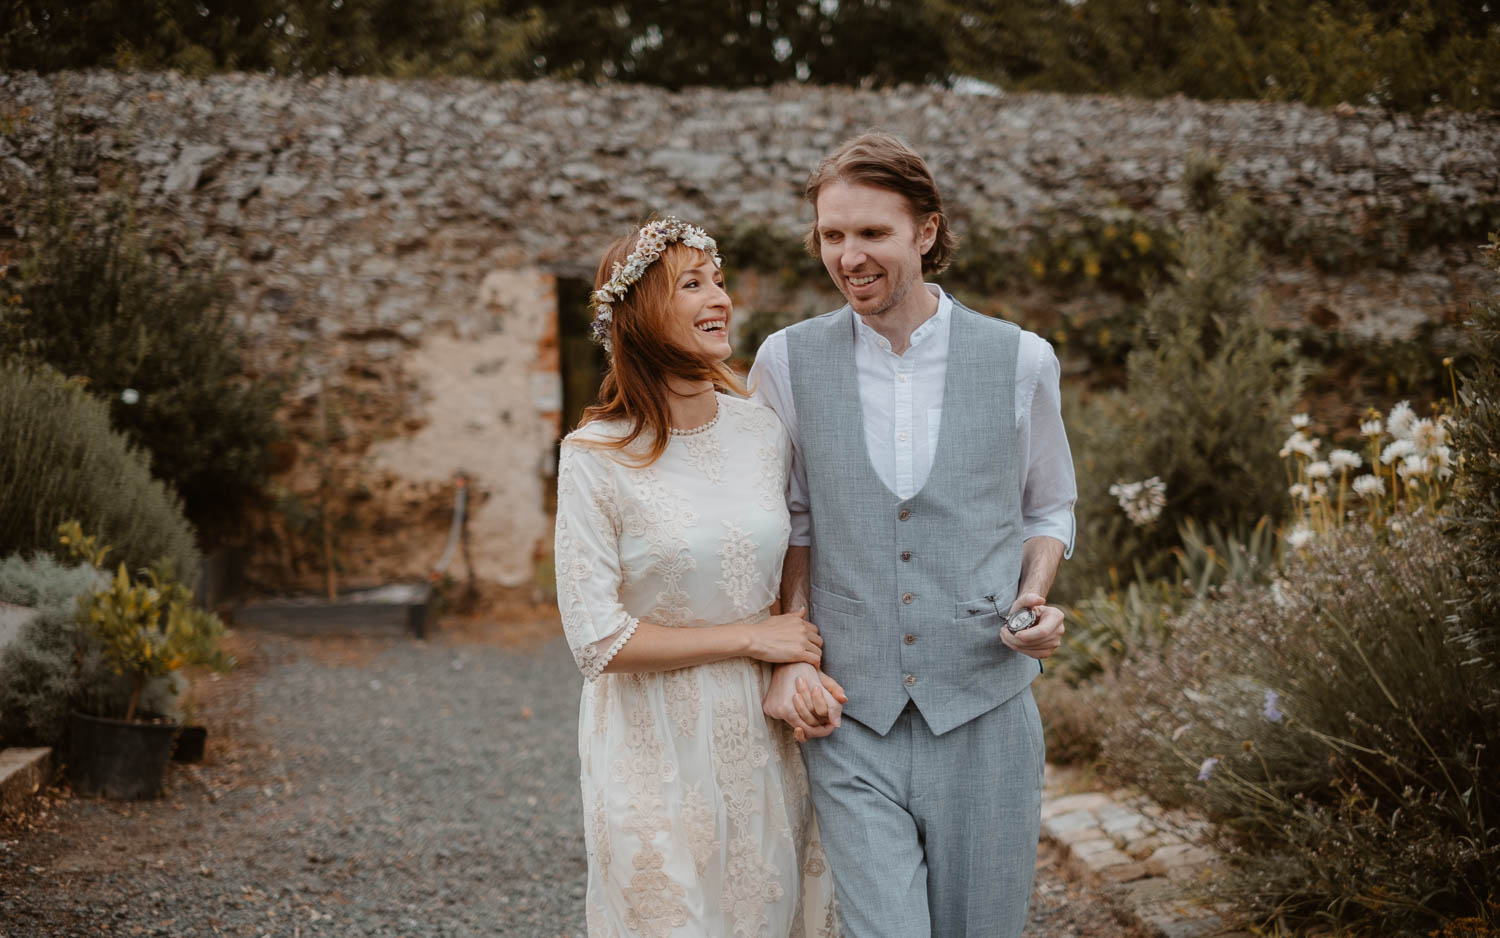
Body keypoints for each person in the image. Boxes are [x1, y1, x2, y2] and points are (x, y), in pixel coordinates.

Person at [750, 133, 1077, 938]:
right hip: (851, 718)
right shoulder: (786, 362)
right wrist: (793, 651)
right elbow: (789, 521)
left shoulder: (1022, 360)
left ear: (926, 232)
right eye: (832, 234)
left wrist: (1035, 596)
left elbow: (1048, 509)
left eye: (872, 233)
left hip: (986, 710)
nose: (848, 256)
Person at [553, 217, 842, 937]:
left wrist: (793, 660)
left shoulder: (763, 431)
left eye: (719, 281)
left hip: (761, 732)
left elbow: (796, 553)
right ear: (642, 312)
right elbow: (597, 642)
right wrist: (752, 639)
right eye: (692, 284)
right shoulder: (594, 455)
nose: (720, 298)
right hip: (650, 739)